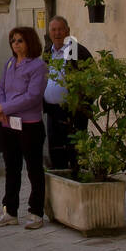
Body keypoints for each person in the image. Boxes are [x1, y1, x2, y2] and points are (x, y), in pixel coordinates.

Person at [0, 27, 49, 229]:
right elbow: (0, 88)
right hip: (8, 124)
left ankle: (35, 212)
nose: (16, 44)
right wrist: (0, 106)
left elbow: (32, 96)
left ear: (29, 42)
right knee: (11, 169)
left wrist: (5, 107)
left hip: (29, 125)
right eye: (13, 40)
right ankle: (10, 211)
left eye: (20, 40)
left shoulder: (38, 66)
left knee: (33, 169)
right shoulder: (9, 63)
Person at [42, 16, 93, 174]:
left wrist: (81, 105)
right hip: (52, 110)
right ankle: (60, 186)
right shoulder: (48, 51)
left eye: (60, 29)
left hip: (73, 112)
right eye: (53, 30)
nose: (57, 33)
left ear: (68, 31)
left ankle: (76, 180)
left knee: (75, 151)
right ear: (49, 33)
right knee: (56, 150)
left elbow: (92, 80)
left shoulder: (78, 51)